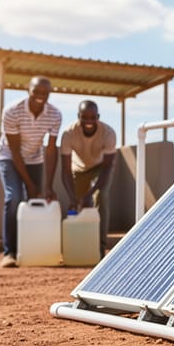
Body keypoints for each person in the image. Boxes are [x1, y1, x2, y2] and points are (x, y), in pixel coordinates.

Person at [0, 76, 62, 267]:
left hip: (35, 157)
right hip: (8, 156)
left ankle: (30, 249)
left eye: (45, 93)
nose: (41, 96)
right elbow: (15, 152)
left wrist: (47, 186)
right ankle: (9, 253)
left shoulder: (55, 114)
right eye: (36, 92)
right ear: (28, 90)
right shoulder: (12, 111)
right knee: (15, 197)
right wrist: (30, 185)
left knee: (38, 198)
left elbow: (50, 150)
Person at [60, 100, 116, 258]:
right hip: (78, 168)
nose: (89, 121)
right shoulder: (68, 134)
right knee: (76, 205)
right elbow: (64, 170)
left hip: (100, 168)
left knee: (102, 196)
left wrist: (89, 194)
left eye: (93, 117)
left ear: (98, 116)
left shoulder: (108, 133)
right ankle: (77, 248)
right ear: (79, 116)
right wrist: (73, 197)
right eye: (85, 117)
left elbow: (107, 169)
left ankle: (100, 248)